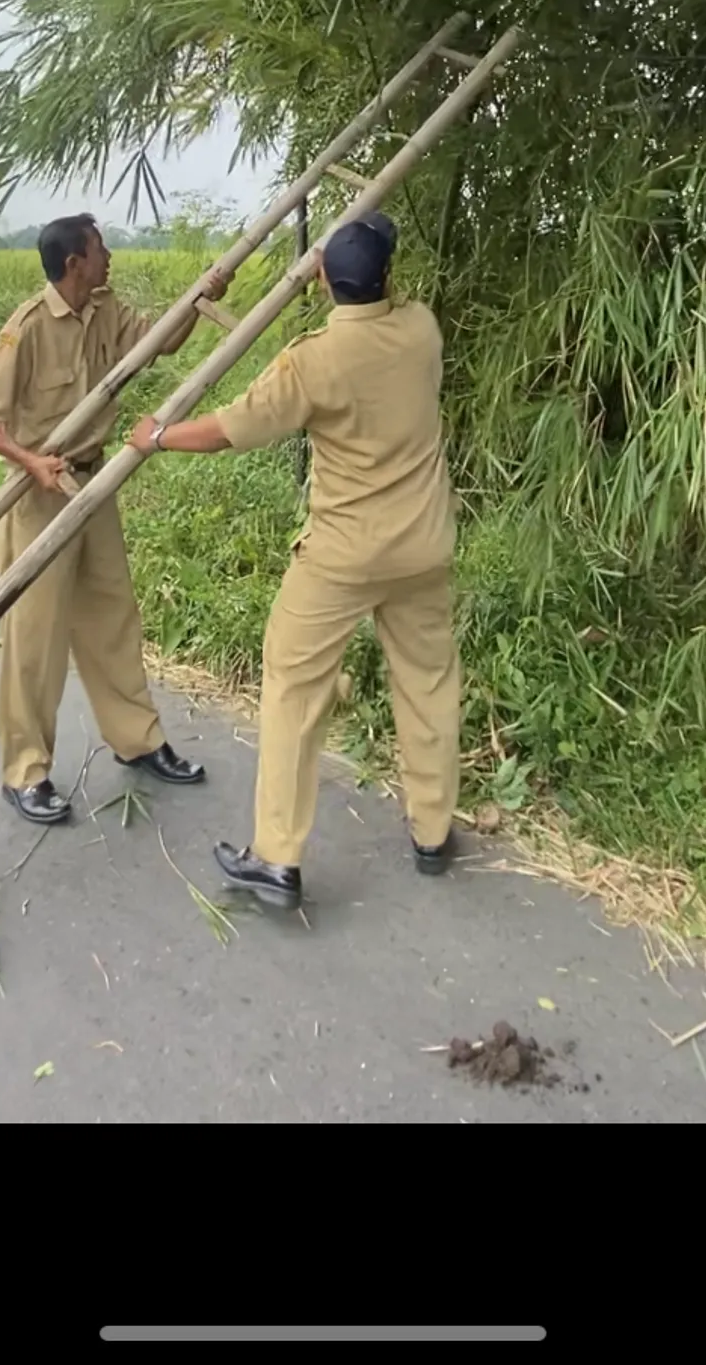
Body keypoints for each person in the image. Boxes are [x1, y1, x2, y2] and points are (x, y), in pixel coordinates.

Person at [129, 211, 461, 910]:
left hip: (343, 555)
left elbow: (228, 430)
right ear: (389, 279)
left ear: (320, 283)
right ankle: (433, 832)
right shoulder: (422, 330)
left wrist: (157, 435)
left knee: (292, 689)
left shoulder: (313, 360)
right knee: (428, 682)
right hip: (423, 547)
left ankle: (277, 857)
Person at [0, 211, 230, 825]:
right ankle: (25, 771)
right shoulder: (27, 327)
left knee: (112, 615)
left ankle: (138, 741)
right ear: (73, 264)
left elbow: (163, 340)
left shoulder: (106, 308)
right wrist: (30, 462)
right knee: (37, 637)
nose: (109, 254)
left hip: (95, 480)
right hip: (41, 492)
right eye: (100, 246)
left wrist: (201, 297)